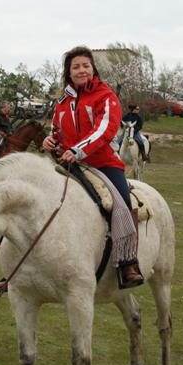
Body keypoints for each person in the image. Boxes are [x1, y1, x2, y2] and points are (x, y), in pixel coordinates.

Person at [42, 46, 143, 288]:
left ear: (93, 68)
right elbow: (56, 129)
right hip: (67, 163)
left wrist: (77, 151)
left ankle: (127, 261)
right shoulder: (63, 101)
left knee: (120, 204)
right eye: (76, 66)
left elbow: (104, 129)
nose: (81, 70)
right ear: (68, 71)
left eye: (85, 65)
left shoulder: (105, 96)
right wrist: (50, 140)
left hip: (102, 164)